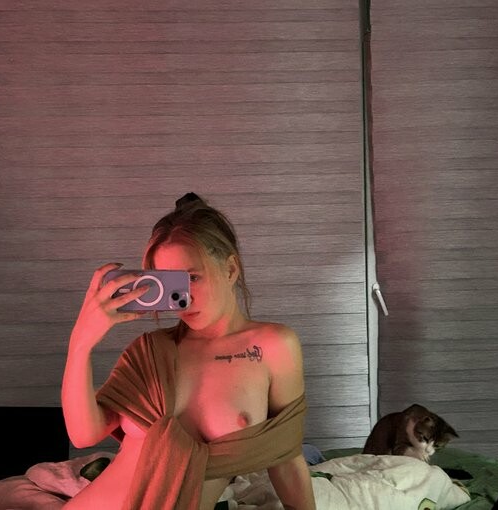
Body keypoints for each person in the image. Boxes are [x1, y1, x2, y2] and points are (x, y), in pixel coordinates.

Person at [61, 192, 316, 510]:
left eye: (193, 277)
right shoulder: (151, 352)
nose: (185, 297)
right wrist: (80, 344)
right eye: (171, 283)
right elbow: (83, 435)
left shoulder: (274, 346)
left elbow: (286, 456)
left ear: (231, 270)